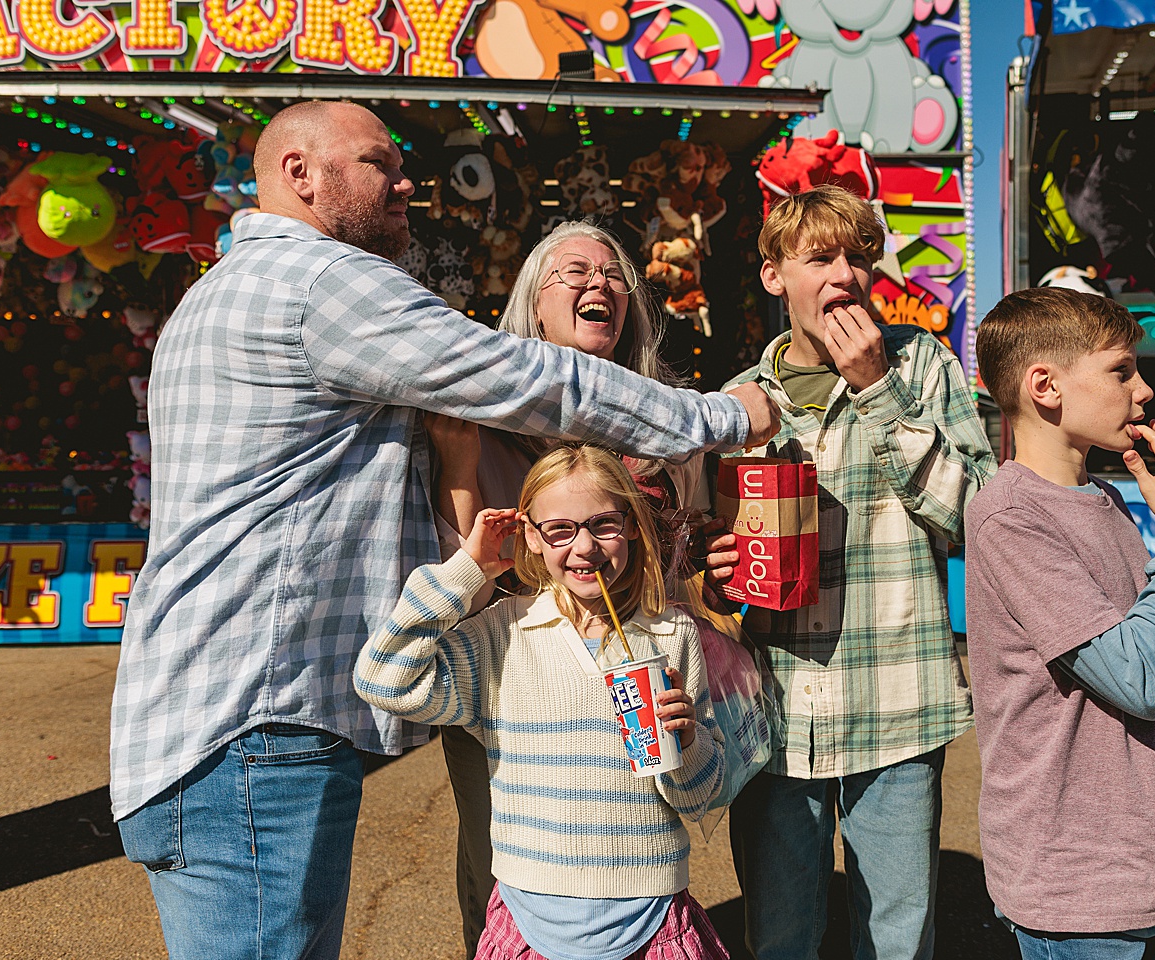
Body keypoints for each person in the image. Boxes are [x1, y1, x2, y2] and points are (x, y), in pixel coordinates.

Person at [109, 100, 777, 960]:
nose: (406, 179)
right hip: (254, 730)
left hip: (221, 724)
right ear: (299, 174)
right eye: (378, 162)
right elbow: (518, 374)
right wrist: (720, 415)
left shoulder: (215, 295)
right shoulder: (318, 282)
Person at [715, 184, 996, 960]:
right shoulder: (739, 402)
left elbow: (976, 517)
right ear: (775, 276)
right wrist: (716, 567)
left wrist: (877, 391)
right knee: (780, 939)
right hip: (775, 713)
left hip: (898, 701)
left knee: (897, 942)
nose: (843, 272)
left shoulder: (924, 366)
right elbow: (707, 564)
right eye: (819, 257)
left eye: (856, 256)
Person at [429, 220, 718, 956]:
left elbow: (683, 565)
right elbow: (468, 557)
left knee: (638, 850)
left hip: (636, 672)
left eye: (614, 274)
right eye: (576, 272)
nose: (600, 284)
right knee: (503, 868)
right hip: (516, 678)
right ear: (533, 305)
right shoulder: (485, 419)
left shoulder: (664, 415)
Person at [355, 445, 730, 960]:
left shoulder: (671, 633)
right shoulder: (503, 635)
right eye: (560, 530)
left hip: (651, 911)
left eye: (604, 524)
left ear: (634, 526)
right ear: (531, 536)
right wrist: (468, 569)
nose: (585, 547)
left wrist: (688, 744)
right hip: (529, 915)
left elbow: (701, 797)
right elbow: (383, 680)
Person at [965, 286, 1155, 960]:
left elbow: (1139, 636)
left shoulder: (1104, 498)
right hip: (1077, 877)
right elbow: (1140, 679)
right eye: (1121, 370)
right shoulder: (1010, 517)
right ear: (1045, 386)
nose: (1142, 390)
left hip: (1140, 855)